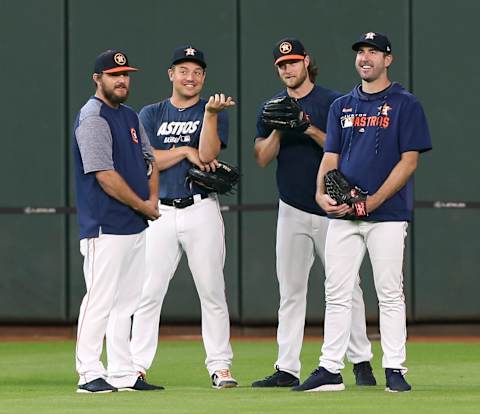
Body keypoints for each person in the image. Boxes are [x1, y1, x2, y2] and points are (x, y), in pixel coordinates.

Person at [294, 32, 432, 392]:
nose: (365, 58)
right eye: (361, 52)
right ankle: (329, 369)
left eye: (373, 52)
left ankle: (395, 369)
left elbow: (409, 161)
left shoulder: (405, 104)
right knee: (336, 291)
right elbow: (330, 157)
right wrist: (320, 193)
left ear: (389, 59)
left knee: (389, 292)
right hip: (342, 213)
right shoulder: (342, 105)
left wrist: (374, 201)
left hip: (387, 214)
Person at [252, 37, 376, 388]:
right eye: (281, 64)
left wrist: (306, 126)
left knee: (346, 286)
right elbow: (261, 158)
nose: (287, 68)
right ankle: (286, 367)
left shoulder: (334, 102)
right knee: (290, 291)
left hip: (331, 210)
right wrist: (279, 125)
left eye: (292, 61)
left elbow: (348, 150)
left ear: (306, 61)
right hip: (290, 207)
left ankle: (361, 362)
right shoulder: (271, 106)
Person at [130, 46, 238, 389]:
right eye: (183, 70)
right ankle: (135, 366)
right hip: (159, 211)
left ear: (203, 77)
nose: (189, 77)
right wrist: (183, 150)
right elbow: (148, 161)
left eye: (196, 72)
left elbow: (207, 155)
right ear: (171, 74)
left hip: (201, 208)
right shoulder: (151, 113)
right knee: (148, 292)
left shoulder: (214, 111)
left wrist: (208, 116)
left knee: (212, 290)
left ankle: (220, 367)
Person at [72, 50, 163, 393]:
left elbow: (150, 160)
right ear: (97, 79)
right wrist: (143, 204)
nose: (122, 80)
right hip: (104, 226)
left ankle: (123, 373)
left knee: (127, 302)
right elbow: (104, 176)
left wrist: (151, 201)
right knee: (99, 299)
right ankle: (89, 372)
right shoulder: (93, 117)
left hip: (134, 224)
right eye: (114, 75)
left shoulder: (129, 115)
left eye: (125, 74)